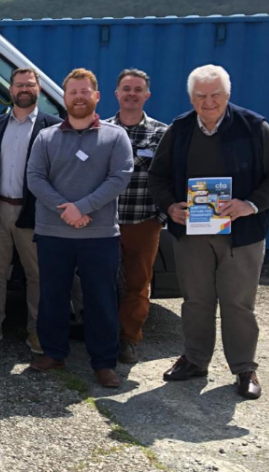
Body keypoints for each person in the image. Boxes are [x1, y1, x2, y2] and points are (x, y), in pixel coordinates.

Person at [149, 65, 269, 400]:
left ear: (227, 95)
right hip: (192, 235)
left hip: (241, 236)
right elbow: (157, 177)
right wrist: (171, 206)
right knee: (196, 300)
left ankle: (244, 368)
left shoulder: (253, 127)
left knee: (238, 303)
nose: (208, 101)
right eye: (201, 95)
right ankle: (195, 360)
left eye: (215, 94)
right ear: (192, 98)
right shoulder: (180, 129)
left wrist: (250, 205)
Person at [26, 68, 133, 388]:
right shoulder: (47, 137)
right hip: (53, 233)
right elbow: (35, 178)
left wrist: (82, 208)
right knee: (53, 297)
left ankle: (103, 362)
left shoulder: (115, 136)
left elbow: (120, 177)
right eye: (72, 92)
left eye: (85, 91)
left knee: (101, 299)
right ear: (64, 97)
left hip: (99, 235)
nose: (79, 97)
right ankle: (54, 353)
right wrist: (67, 211)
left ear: (96, 96)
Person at [0, 68, 62, 353]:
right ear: (10, 90)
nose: (24, 89)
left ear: (38, 89)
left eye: (30, 84)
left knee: (38, 274)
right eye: (19, 85)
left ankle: (37, 328)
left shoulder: (53, 128)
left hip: (33, 212)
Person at [101, 69, 169, 364]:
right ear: (116, 93)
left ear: (146, 95)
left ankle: (128, 339)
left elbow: (170, 177)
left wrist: (161, 217)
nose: (131, 93)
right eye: (126, 88)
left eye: (137, 89)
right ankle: (102, 335)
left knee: (138, 285)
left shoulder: (161, 133)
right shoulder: (101, 130)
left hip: (143, 222)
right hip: (104, 223)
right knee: (100, 282)